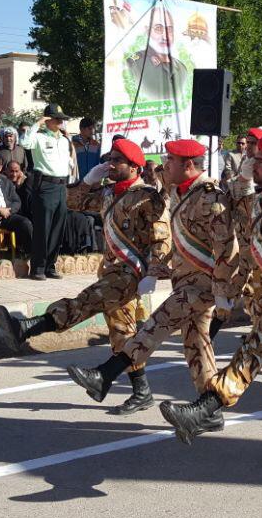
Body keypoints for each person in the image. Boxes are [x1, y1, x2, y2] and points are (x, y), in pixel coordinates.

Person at [159, 135, 262, 467]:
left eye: (261, 161)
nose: (254, 163)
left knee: (251, 351)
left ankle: (205, 407)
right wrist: (231, 292)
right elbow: (248, 247)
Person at [0, 138, 169, 415]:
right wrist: (87, 180)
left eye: (116, 161)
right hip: (110, 269)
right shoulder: (109, 192)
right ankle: (140, 391)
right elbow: (72, 201)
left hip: (132, 273)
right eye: (108, 159)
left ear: (134, 167)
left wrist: (154, 273)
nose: (110, 164)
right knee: (122, 333)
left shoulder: (146, 196)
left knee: (86, 301)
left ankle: (28, 328)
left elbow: (162, 237)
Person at [66, 138, 236, 412]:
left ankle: (105, 374)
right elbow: (150, 173)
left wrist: (224, 292)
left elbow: (227, 248)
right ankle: (208, 410)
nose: (165, 164)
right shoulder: (180, 188)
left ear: (189, 165)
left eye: (171, 160)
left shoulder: (211, 197)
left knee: (155, 325)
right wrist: (95, 175)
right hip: (185, 281)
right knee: (197, 346)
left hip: (203, 285)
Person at [22, 104, 74, 280]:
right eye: (56, 118)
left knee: (57, 228)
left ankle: (50, 266)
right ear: (47, 120)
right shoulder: (38, 137)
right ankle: (37, 268)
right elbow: (24, 142)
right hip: (45, 185)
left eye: (62, 118)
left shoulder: (65, 140)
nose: (60, 121)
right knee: (42, 228)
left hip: (61, 186)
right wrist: (37, 123)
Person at [0, 154, 32, 257]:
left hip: (8, 215)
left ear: (0, 168)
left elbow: (16, 201)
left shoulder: (6, 182)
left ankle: (27, 255)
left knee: (25, 223)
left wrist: (9, 211)